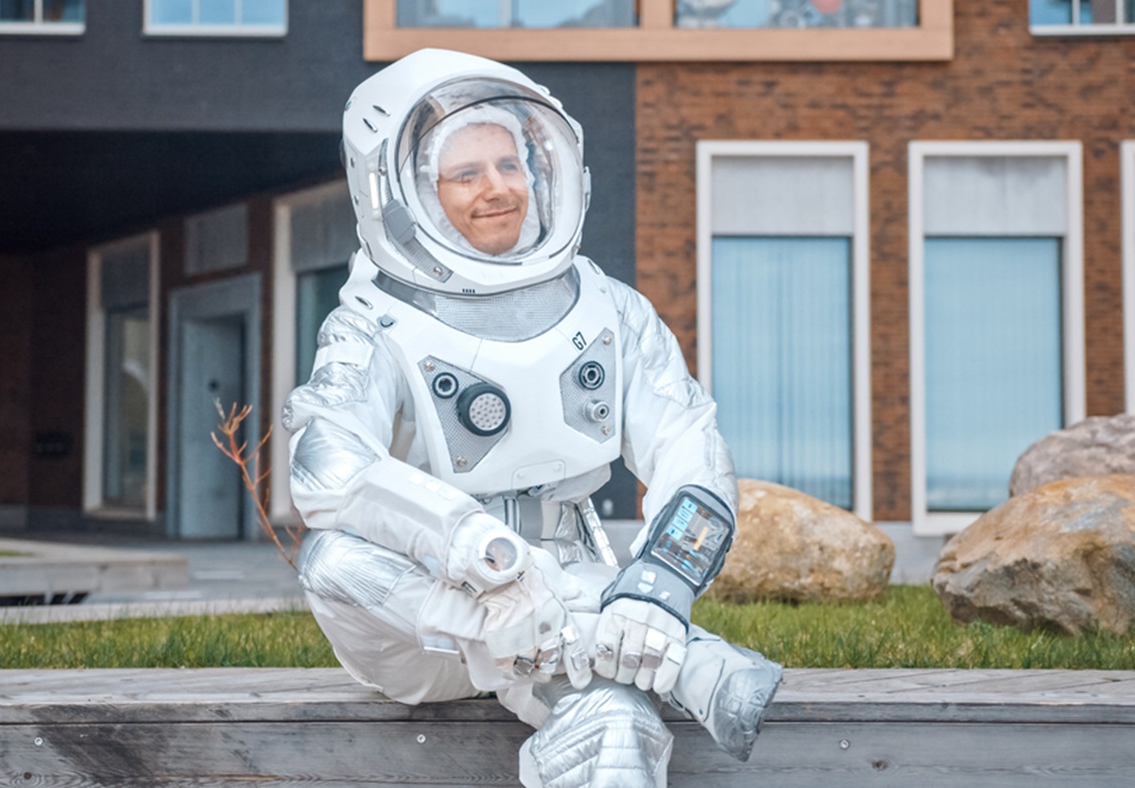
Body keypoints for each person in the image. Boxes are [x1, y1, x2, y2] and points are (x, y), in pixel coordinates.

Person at [284, 48, 782, 788]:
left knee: (617, 728)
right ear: (396, 196)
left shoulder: (607, 308)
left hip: (562, 612)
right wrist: (475, 549)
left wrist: (658, 585)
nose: (498, 189)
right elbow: (326, 467)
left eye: (510, 165)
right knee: (333, 562)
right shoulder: (374, 325)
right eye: (464, 174)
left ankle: (591, 649)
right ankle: (688, 665)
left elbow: (691, 450)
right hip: (425, 623)